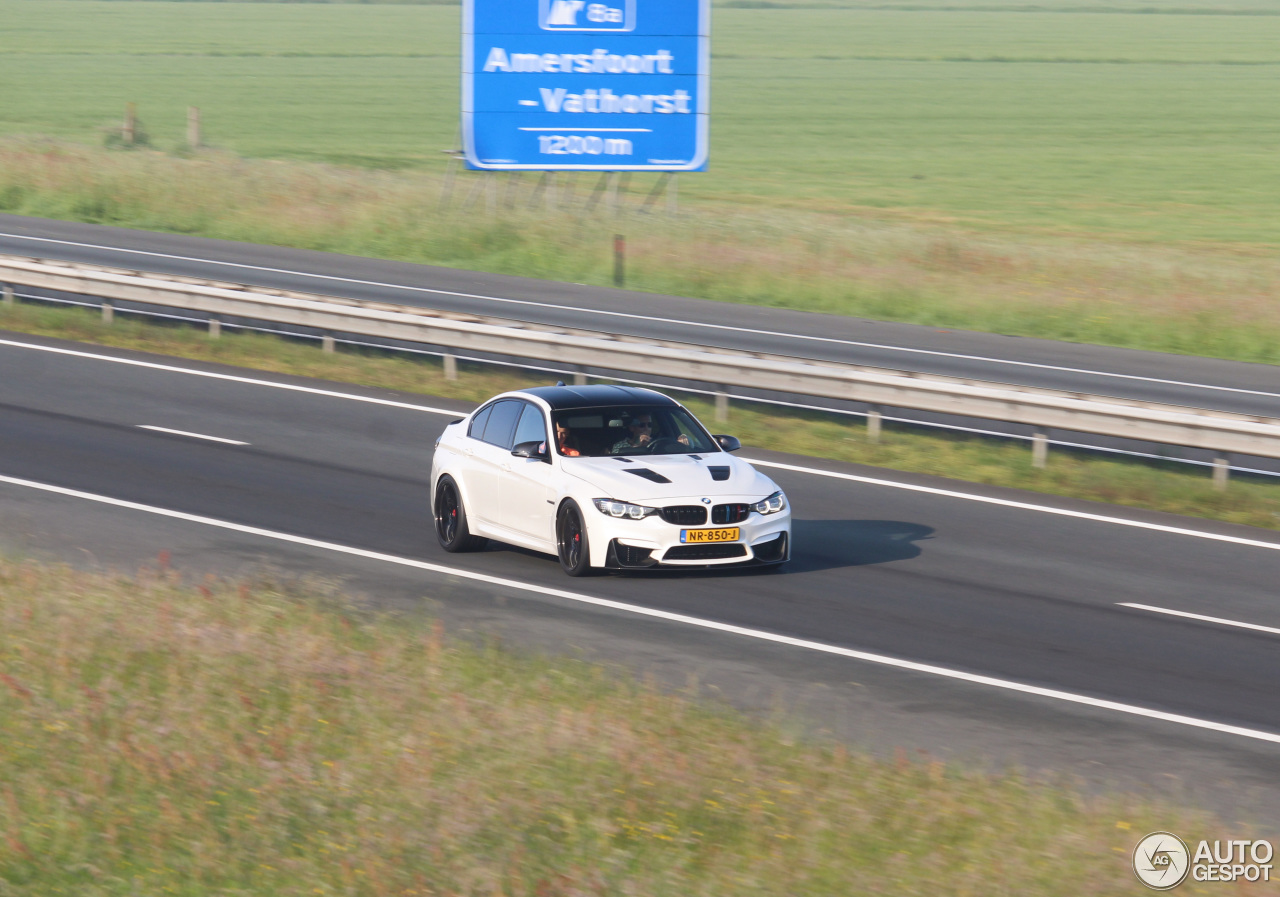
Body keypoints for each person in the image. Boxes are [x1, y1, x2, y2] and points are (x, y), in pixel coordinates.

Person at [611, 413, 688, 454]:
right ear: (632, 428)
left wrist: (681, 442)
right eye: (642, 425)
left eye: (649, 425)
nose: (646, 428)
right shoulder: (619, 446)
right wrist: (639, 447)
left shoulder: (658, 443)